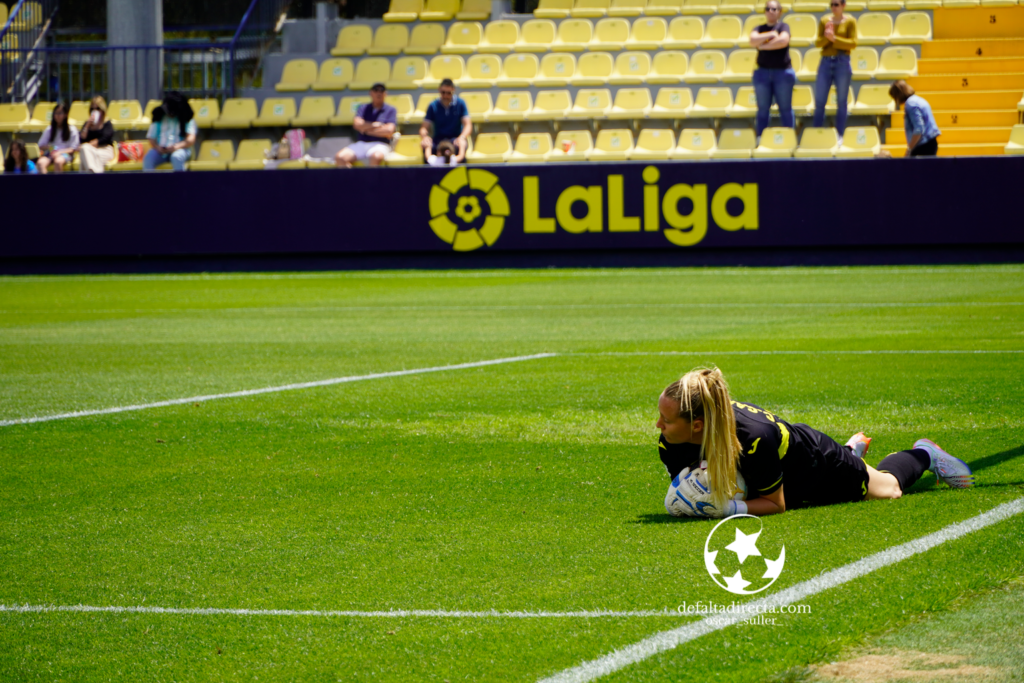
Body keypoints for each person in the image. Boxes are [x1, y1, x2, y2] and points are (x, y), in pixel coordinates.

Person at [658, 367, 973, 518]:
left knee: (889, 490)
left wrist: (728, 509)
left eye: (667, 420)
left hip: (813, 462)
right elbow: (692, 484)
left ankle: (923, 454)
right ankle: (853, 453)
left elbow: (776, 504)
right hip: (770, 472)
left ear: (697, 425)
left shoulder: (755, 439)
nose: (659, 425)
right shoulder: (670, 442)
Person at [749, 0, 795, 138]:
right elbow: (752, 41)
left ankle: (790, 138)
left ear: (779, 12)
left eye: (774, 9)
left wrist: (762, 46)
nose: (770, 11)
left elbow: (782, 41)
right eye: (768, 9)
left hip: (782, 73)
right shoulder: (759, 27)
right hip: (762, 73)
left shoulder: (783, 26)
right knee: (762, 109)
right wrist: (770, 35)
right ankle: (761, 139)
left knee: (785, 109)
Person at [812, 0, 857, 134]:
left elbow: (853, 43)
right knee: (820, 101)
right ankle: (816, 133)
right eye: (831, 4)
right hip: (825, 61)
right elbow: (818, 43)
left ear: (843, 6)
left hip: (842, 61)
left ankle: (839, 134)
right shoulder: (825, 20)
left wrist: (834, 39)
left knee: (842, 102)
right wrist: (827, 38)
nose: (833, 7)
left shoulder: (850, 21)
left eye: (836, 4)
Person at [336, 83, 397, 168]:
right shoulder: (363, 107)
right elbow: (357, 124)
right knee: (340, 157)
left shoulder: (390, 109)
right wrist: (375, 125)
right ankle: (353, 181)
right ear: (371, 93)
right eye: (376, 90)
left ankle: (371, 181)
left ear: (385, 94)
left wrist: (365, 130)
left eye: (381, 91)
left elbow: (389, 131)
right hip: (361, 143)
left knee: (375, 157)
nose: (378, 93)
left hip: (380, 144)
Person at [419, 79, 471, 164]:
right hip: (438, 139)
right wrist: (425, 137)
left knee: (461, 146)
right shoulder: (433, 105)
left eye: (449, 93)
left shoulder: (460, 103)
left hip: (455, 138)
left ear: (453, 90)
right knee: (426, 146)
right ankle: (429, 176)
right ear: (439, 90)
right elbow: (424, 127)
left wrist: (462, 137)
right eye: (443, 92)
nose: (446, 95)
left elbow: (467, 125)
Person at [144, 91, 197, 172]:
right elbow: (151, 137)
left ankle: (179, 184)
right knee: (148, 158)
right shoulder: (159, 117)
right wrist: (158, 147)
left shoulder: (188, 118)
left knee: (176, 157)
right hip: (161, 151)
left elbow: (190, 139)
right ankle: (150, 184)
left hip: (182, 150)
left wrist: (177, 146)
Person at [890, 80, 941, 157]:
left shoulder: (910, 104)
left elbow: (919, 129)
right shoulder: (919, 99)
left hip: (923, 145)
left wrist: (909, 149)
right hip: (931, 142)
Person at [36, 102, 79, 174]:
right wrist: (51, 148)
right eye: (56, 113)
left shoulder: (72, 129)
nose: (57, 115)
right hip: (51, 153)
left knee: (58, 162)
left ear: (65, 115)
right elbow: (41, 145)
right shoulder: (49, 129)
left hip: (65, 154)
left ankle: (58, 184)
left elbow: (73, 148)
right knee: (40, 163)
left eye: (60, 113)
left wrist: (59, 152)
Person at [78, 96, 116, 173]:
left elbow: (106, 138)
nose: (95, 111)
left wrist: (91, 144)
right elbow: (82, 139)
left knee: (85, 156)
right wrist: (87, 126)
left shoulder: (107, 123)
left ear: (102, 110)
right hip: (89, 150)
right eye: (92, 109)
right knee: (85, 150)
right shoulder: (87, 124)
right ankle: (94, 173)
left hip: (105, 149)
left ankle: (91, 176)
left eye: (97, 109)